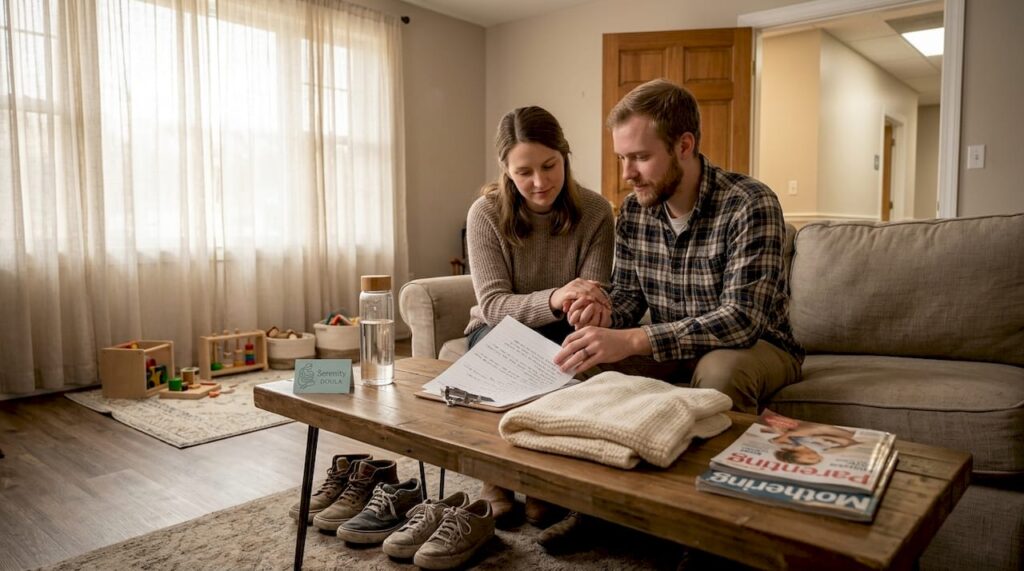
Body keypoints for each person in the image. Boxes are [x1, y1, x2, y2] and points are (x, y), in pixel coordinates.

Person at [554, 78, 804, 414]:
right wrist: (603, 313)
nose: (627, 173)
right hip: (670, 347)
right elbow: (629, 297)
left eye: (640, 157)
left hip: (754, 346)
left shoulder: (749, 203)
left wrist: (634, 339)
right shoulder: (634, 210)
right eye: (622, 157)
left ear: (684, 146)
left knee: (720, 373)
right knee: (578, 359)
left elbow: (741, 320)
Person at [465, 105, 614, 530]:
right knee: (514, 358)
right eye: (524, 172)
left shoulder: (596, 211)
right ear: (506, 170)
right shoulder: (485, 213)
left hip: (564, 328)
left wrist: (590, 306)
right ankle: (495, 475)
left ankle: (540, 480)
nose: (539, 182)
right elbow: (493, 305)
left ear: (565, 155)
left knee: (563, 356)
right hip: (495, 330)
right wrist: (557, 296)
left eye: (549, 166)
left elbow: (595, 292)